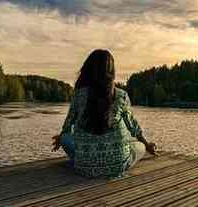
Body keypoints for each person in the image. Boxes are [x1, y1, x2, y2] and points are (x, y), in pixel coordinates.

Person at [51, 49, 158, 178]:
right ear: (112, 71)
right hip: (118, 166)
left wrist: (61, 138)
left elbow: (68, 125)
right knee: (139, 146)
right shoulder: (121, 95)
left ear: (87, 70)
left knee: (65, 138)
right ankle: (120, 153)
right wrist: (147, 145)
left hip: (84, 168)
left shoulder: (79, 94)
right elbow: (133, 127)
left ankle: (86, 157)